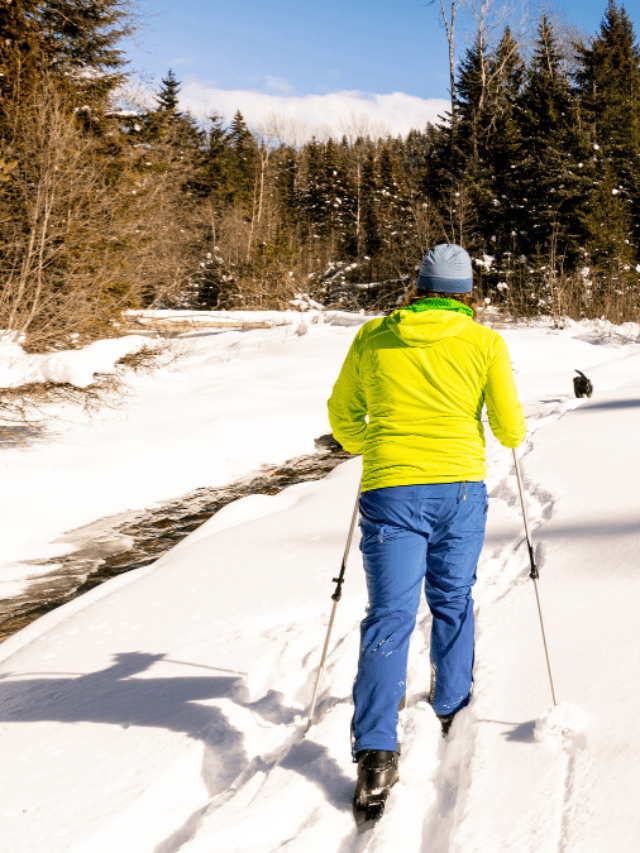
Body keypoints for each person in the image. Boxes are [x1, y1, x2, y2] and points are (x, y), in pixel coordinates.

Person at [327, 243, 526, 819]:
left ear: (416, 287)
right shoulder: (485, 342)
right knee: (452, 600)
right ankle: (451, 704)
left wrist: (376, 446)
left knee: (389, 615)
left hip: (391, 490)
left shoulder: (374, 337)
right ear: (468, 293)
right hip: (459, 490)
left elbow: (343, 418)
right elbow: (510, 430)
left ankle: (375, 755)